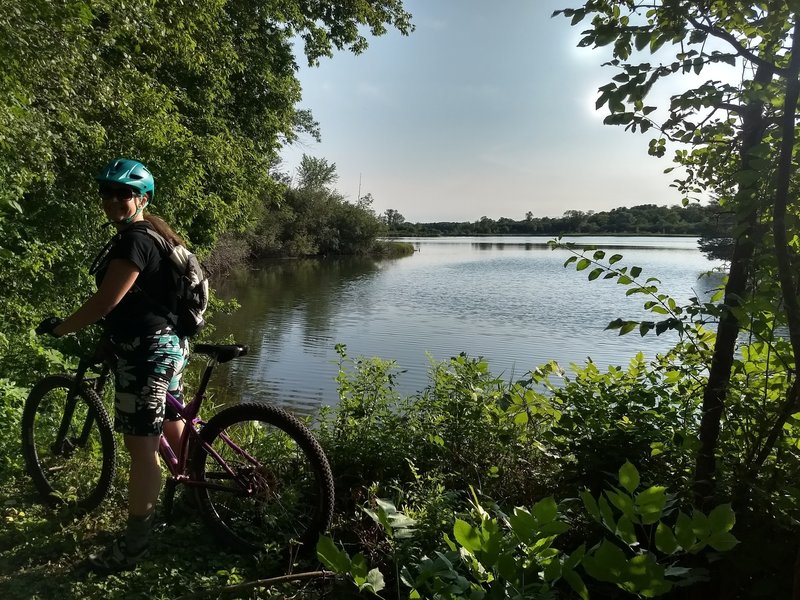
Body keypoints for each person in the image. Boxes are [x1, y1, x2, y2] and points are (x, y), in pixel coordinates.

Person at [36, 158, 189, 573]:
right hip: (167, 345)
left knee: (141, 452)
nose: (113, 200)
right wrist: (111, 336)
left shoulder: (134, 241)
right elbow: (142, 300)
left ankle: (134, 546)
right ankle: (195, 494)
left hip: (147, 355)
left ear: (143, 197)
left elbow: (107, 301)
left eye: (123, 193)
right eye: (108, 192)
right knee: (172, 418)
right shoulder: (155, 234)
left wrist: (63, 329)